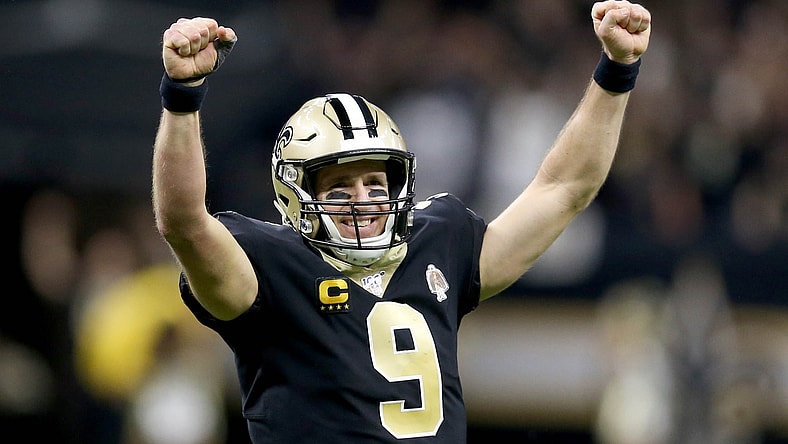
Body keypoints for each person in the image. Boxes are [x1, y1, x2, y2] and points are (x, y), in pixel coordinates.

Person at [152, 2, 652, 442]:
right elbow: (183, 221)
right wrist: (182, 96)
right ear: (295, 195)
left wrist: (616, 71)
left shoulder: (438, 243)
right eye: (340, 186)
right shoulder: (268, 268)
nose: (364, 199)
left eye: (376, 183)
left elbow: (563, 189)